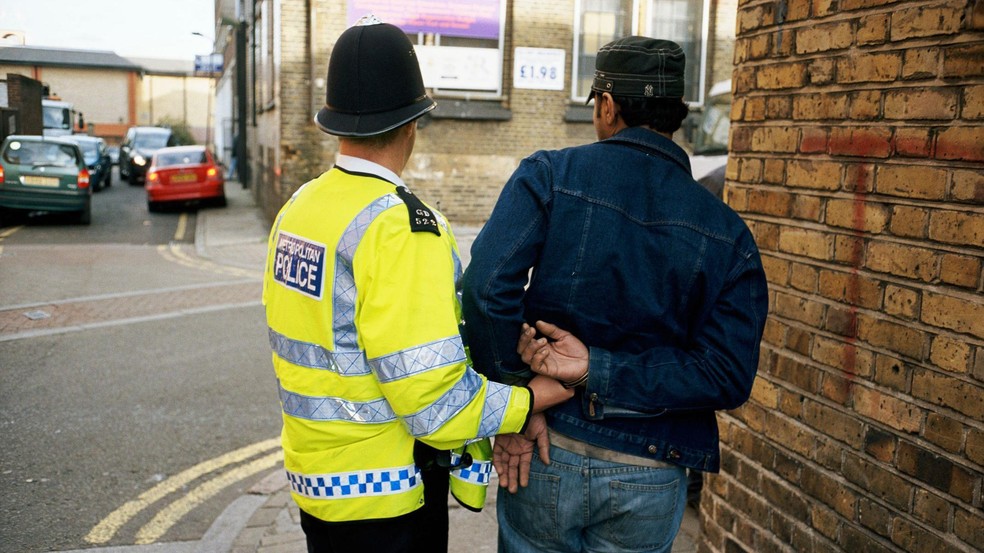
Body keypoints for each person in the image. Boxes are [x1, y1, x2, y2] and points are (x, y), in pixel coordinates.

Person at [262, 17, 572, 553]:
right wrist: (531, 399)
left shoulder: (299, 208)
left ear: (336, 124)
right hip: (385, 496)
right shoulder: (402, 226)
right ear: (413, 124)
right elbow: (434, 403)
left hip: (317, 483)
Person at [462, 36, 769, 553]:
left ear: (607, 104)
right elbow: (728, 375)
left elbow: (487, 289)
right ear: (677, 114)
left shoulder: (550, 174)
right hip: (651, 467)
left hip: (546, 447)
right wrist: (600, 371)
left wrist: (521, 402)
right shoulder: (729, 234)